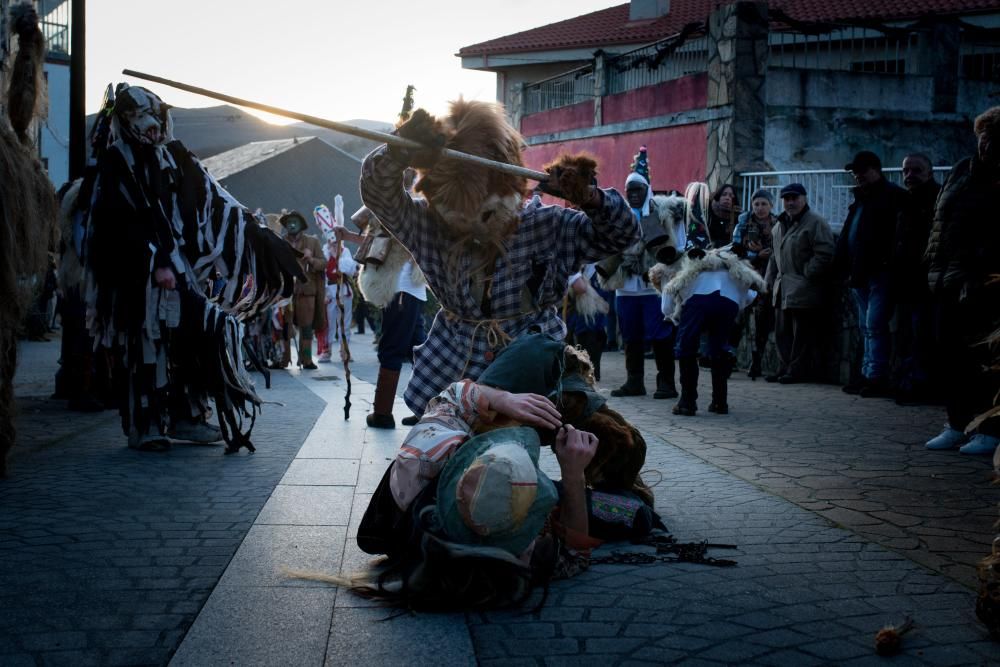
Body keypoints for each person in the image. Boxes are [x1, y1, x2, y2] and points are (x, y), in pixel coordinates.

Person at [359, 101, 639, 418]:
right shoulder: (428, 223)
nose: (473, 223)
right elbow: (378, 195)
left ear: (511, 185)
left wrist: (592, 199)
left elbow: (623, 235)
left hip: (534, 362)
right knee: (446, 455)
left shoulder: (546, 224)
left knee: (609, 441)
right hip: (456, 363)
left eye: (485, 209)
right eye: (458, 213)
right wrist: (397, 150)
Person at [353, 334, 655, 607]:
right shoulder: (522, 545)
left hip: (456, 498)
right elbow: (575, 555)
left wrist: (500, 398)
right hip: (534, 497)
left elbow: (454, 396)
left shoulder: (427, 456)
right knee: (621, 510)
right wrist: (573, 474)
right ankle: (628, 511)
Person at [83, 84, 301, 452]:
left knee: (195, 337)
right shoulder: (115, 162)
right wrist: (153, 263)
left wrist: (250, 229)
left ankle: (187, 416)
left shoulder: (175, 155)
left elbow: (213, 197)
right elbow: (117, 223)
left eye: (155, 115)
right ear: (125, 120)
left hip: (181, 270)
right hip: (141, 276)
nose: (151, 124)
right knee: (146, 345)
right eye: (140, 117)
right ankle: (146, 425)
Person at [924, 106, 1000, 456]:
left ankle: (989, 429)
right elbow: (940, 220)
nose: (986, 146)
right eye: (984, 138)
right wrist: (932, 264)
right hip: (946, 278)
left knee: (981, 361)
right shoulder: (962, 170)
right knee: (949, 356)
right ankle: (957, 424)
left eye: (994, 139)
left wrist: (980, 268)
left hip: (983, 282)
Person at [595, 157, 681, 399]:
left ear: (647, 190)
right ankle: (634, 381)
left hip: (653, 288)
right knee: (630, 335)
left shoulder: (662, 214)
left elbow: (677, 246)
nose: (632, 194)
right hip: (626, 288)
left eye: (637, 190)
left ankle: (666, 383)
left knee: (660, 334)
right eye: (629, 190)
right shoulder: (620, 217)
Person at [339, 205, 428, 429]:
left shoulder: (400, 211)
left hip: (400, 290)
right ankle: (426, 410)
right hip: (411, 291)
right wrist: (350, 236)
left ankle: (382, 413)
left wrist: (351, 235)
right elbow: (380, 245)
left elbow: (382, 246)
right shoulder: (415, 210)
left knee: (391, 349)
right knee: (420, 351)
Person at [655, 245, 765, 415]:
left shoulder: (691, 270)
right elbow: (751, 295)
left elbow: (667, 299)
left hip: (697, 303)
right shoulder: (734, 270)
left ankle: (687, 402)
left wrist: (672, 315)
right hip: (728, 304)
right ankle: (720, 402)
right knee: (719, 350)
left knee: (687, 349)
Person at [836, 151, 909, 397]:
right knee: (866, 326)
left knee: (874, 325)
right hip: (861, 273)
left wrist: (886, 261)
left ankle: (875, 376)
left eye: (863, 171)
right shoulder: (862, 199)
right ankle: (868, 374)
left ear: (876, 170)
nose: (858, 176)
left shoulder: (892, 197)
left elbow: (896, 237)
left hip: (880, 272)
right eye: (856, 172)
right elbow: (849, 235)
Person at [764, 184, 835, 384]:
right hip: (782, 286)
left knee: (801, 334)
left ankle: (796, 370)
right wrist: (769, 279)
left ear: (804, 198)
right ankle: (784, 367)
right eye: (786, 199)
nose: (790, 202)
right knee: (781, 331)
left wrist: (807, 274)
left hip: (803, 287)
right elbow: (773, 256)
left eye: (794, 198)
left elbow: (825, 252)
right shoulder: (779, 225)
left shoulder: (815, 222)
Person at [892, 153, 940, 404]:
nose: (909, 175)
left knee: (922, 337)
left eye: (916, 170)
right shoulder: (905, 201)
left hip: (925, 282)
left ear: (929, 172)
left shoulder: (937, 199)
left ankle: (921, 387)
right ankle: (909, 383)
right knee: (908, 336)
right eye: (906, 171)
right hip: (906, 282)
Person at [732, 188, 776, 379]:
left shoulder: (777, 223)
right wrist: (756, 255)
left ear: (771, 205)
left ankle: (756, 362)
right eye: (756, 204)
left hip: (767, 278)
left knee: (762, 319)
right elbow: (735, 249)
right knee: (738, 317)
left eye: (764, 204)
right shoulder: (743, 223)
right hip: (746, 276)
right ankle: (729, 357)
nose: (760, 208)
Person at [276, 211, 326, 370]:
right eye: (289, 222)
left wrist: (311, 259)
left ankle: (306, 359)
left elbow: (323, 263)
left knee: (306, 328)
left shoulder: (312, 242)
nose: (291, 224)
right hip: (285, 292)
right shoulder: (279, 242)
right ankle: (284, 359)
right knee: (284, 327)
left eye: (294, 221)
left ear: (301, 224)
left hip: (306, 292)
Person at [319, 236, 358, 363]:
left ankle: (344, 351)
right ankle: (327, 351)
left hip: (344, 290)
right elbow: (321, 275)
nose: (334, 244)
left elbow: (349, 270)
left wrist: (338, 256)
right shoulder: (324, 253)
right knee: (329, 324)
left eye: (337, 242)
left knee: (345, 324)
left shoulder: (345, 252)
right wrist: (324, 293)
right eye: (332, 242)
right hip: (329, 292)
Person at [706, 183, 739, 248]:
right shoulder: (708, 212)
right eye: (724, 194)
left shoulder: (738, 216)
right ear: (718, 196)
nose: (727, 198)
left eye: (730, 196)